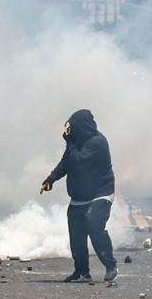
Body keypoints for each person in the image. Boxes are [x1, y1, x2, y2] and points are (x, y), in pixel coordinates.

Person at [40, 108, 118, 284]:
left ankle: (111, 265)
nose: (71, 131)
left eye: (74, 127)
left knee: (93, 224)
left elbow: (79, 161)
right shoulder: (76, 143)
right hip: (79, 195)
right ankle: (82, 272)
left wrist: (69, 143)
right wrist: (50, 179)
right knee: (76, 234)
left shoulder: (97, 142)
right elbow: (66, 163)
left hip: (100, 193)